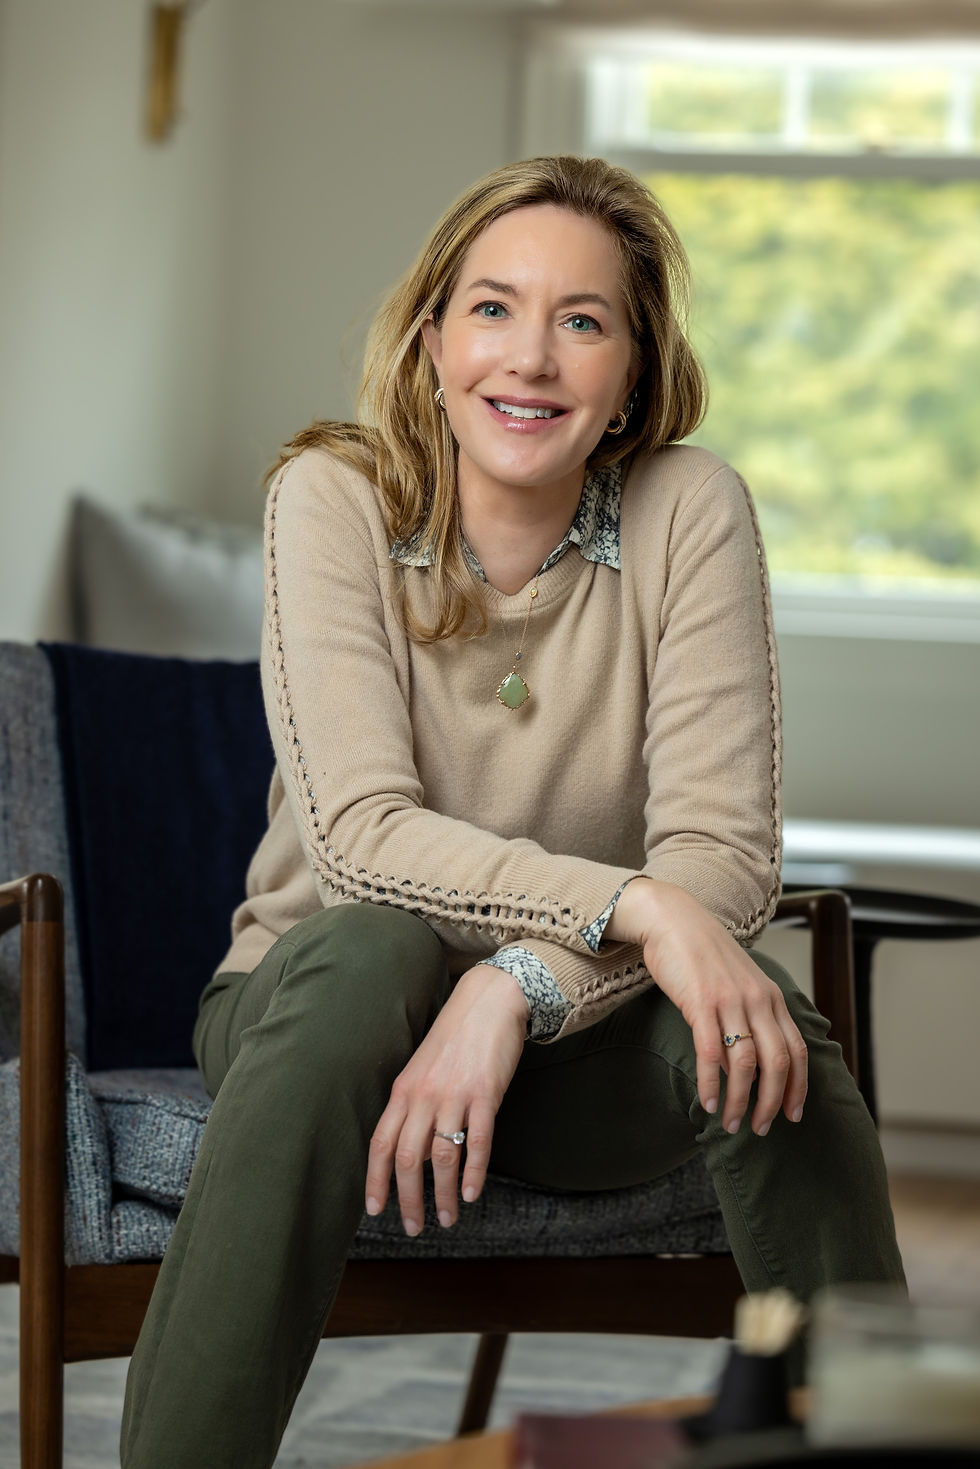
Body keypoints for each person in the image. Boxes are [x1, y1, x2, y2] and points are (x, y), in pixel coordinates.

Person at [120, 155, 904, 1467]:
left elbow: (720, 853)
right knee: (376, 947)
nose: (530, 358)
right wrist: (635, 902)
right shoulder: (331, 496)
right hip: (321, 1032)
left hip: (574, 1047)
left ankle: (876, 1445)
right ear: (432, 340)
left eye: (582, 321)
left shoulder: (690, 508)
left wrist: (514, 985)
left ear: (634, 375)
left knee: (760, 1033)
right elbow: (360, 840)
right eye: (492, 308)